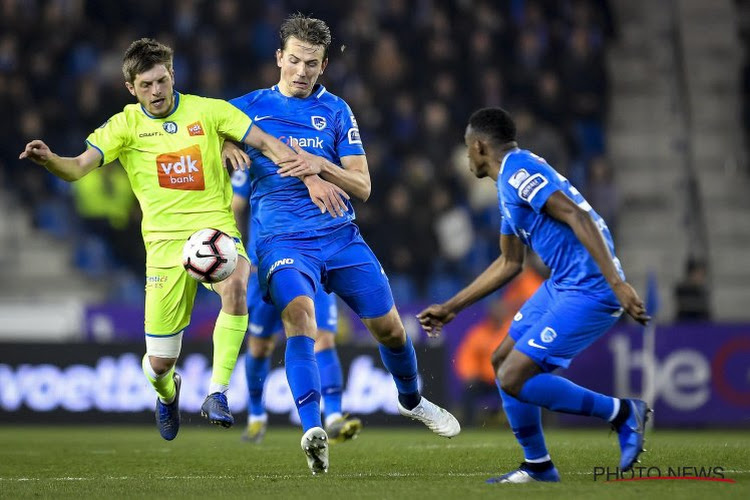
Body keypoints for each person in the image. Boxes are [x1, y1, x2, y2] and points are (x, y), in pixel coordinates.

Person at [19, 38, 348, 442]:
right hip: (163, 250)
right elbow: (76, 169)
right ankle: (167, 392)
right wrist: (50, 160)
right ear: (131, 88)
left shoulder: (208, 112)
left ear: (172, 75)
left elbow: (266, 142)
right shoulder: (123, 126)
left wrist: (311, 175)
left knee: (237, 280)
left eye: (161, 81)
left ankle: (217, 393)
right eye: (146, 86)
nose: (156, 92)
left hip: (214, 232)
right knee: (158, 363)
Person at [227, 14, 460, 475]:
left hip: (340, 236)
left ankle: (412, 400)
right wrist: (223, 150)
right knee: (301, 317)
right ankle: (313, 428)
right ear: (279, 58)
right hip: (281, 240)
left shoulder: (336, 111)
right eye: (293, 60)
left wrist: (319, 165)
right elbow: (200, 139)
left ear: (324, 65)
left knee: (391, 329)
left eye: (310, 64)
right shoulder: (245, 108)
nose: (300, 71)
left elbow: (363, 186)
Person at [417, 108, 652, 483]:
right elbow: (509, 263)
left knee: (513, 376)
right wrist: (451, 307)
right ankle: (538, 466)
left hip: (591, 285)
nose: (466, 157)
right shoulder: (508, 185)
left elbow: (579, 216)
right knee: (501, 359)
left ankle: (622, 413)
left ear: (479, 146)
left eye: (467, 149)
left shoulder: (520, 171)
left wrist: (618, 283)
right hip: (563, 282)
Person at [228, 163, 362, 444]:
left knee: (323, 337)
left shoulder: (316, 151)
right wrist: (239, 251)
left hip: (315, 259)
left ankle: (335, 417)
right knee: (259, 344)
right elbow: (235, 205)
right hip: (266, 263)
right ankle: (255, 417)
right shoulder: (254, 154)